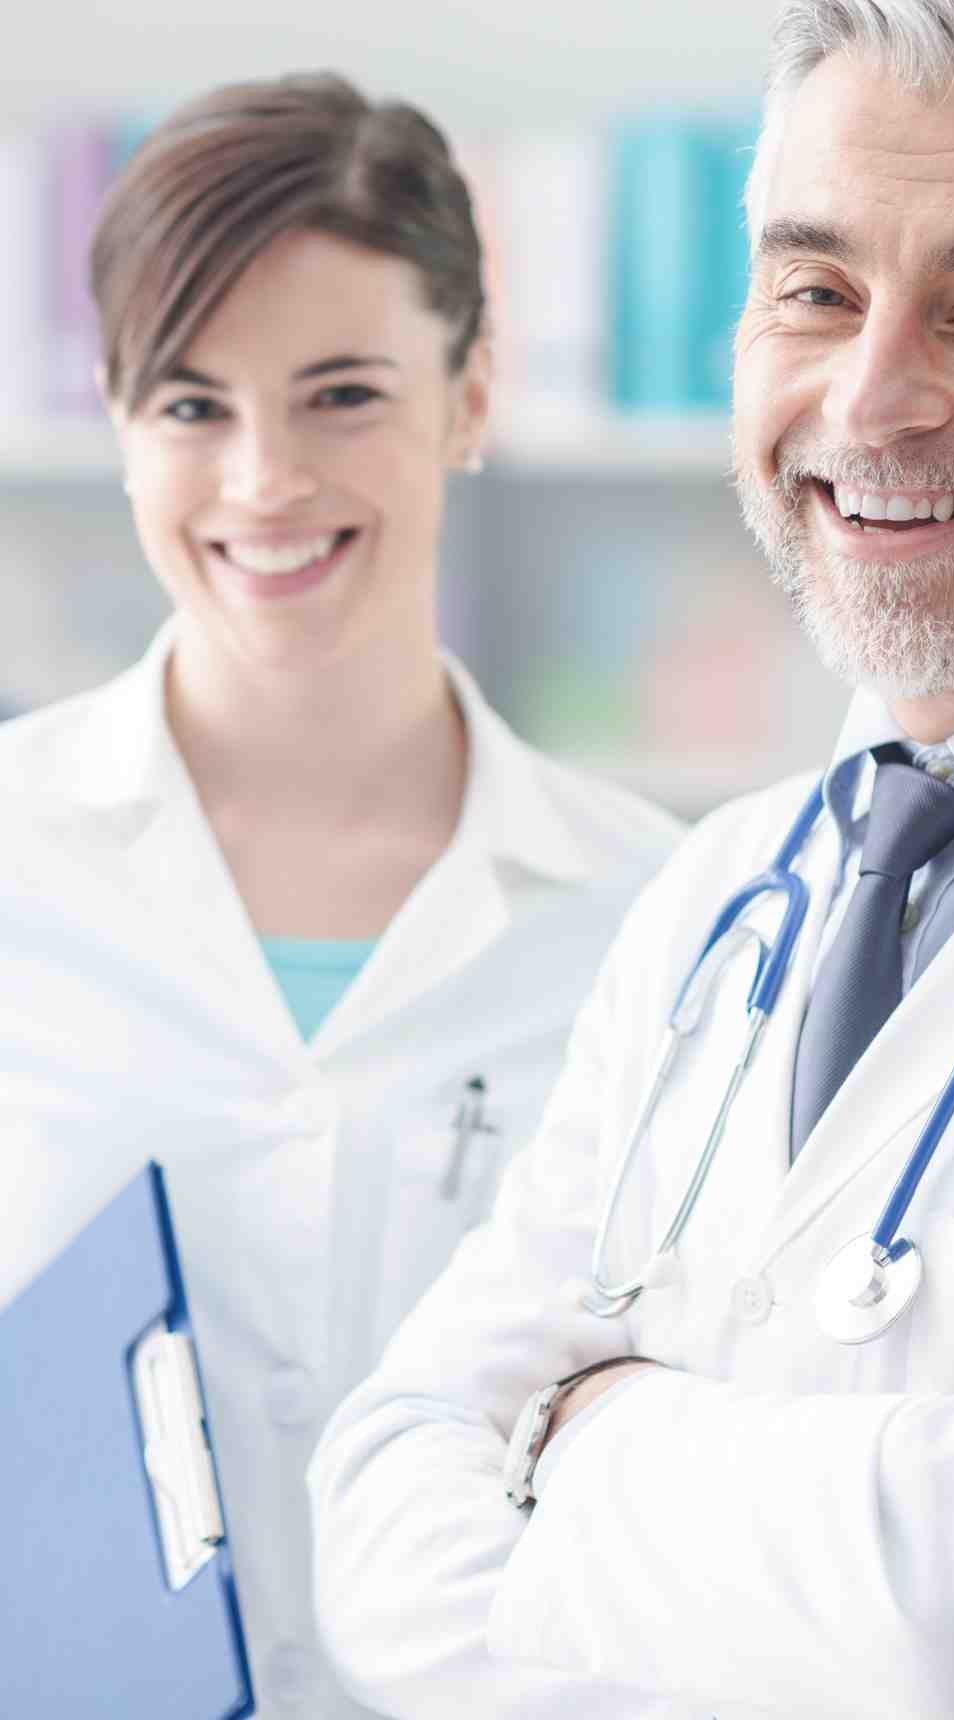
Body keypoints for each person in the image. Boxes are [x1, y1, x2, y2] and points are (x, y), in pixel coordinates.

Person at [309, 3, 954, 1716]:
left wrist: (583, 1427)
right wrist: (892, 1508)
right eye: (813, 292)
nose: (872, 398)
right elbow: (376, 1521)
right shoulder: (721, 894)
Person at [0, 76, 679, 1719]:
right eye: (190, 405)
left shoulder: (657, 915)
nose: (263, 481)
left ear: (471, 395)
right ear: (115, 417)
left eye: (341, 394)